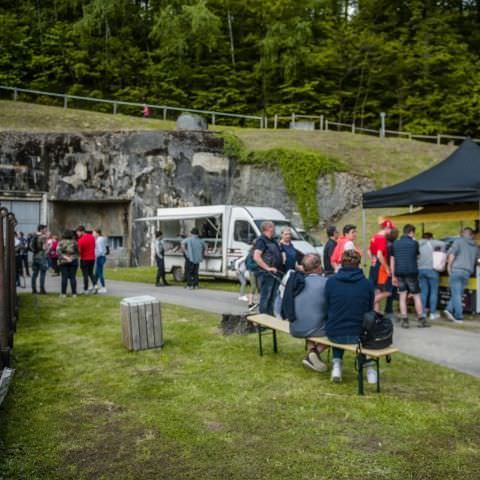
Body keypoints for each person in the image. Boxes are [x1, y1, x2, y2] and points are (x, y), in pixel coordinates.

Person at [325, 250, 376, 383]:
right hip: (359, 335)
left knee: (338, 321)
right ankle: (369, 368)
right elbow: (370, 310)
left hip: (334, 332)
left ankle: (337, 365)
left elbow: (327, 305)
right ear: (359, 264)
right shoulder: (367, 283)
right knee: (366, 326)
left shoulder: (331, 282)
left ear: (341, 263)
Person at [289, 254, 328, 372]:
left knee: (312, 316)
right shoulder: (326, 282)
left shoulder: (296, 282)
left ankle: (311, 352)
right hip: (313, 328)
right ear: (319, 267)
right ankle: (314, 352)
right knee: (338, 329)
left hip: (295, 327)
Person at [391, 224, 429, 328]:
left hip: (399, 272)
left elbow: (392, 260)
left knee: (402, 295)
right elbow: (417, 256)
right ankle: (422, 319)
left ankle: (405, 320)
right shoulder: (414, 243)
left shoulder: (395, 243)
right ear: (411, 232)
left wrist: (393, 275)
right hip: (411, 272)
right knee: (416, 295)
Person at [444, 227, 478, 324]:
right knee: (458, 293)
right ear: (471, 235)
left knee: (456, 293)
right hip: (467, 272)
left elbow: (451, 254)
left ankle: (459, 317)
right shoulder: (475, 246)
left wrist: (449, 266)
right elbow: (477, 259)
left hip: (457, 270)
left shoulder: (458, 241)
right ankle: (449, 309)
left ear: (464, 233)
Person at [254, 221, 283, 316]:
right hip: (266, 274)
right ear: (268, 228)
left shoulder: (273, 240)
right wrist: (267, 268)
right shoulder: (261, 240)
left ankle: (270, 320)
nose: (275, 229)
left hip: (275, 273)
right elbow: (256, 257)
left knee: (273, 297)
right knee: (266, 297)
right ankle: (262, 321)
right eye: (273, 227)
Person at [418, 232, 446, 320]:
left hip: (421, 270)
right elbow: (443, 244)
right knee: (433, 292)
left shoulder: (418, 243)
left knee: (423, 292)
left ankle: (422, 313)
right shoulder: (432, 242)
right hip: (432, 270)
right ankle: (432, 313)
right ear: (431, 238)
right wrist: (441, 252)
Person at [368, 219, 394, 313]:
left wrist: (372, 260)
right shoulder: (382, 238)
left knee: (377, 292)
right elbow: (380, 255)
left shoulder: (374, 237)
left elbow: (369, 251)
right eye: (391, 229)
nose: (391, 232)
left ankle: (376, 317)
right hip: (381, 268)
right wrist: (387, 268)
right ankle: (366, 304)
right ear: (387, 228)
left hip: (374, 267)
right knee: (388, 291)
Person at [57, 230, 79, 297]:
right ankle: (74, 293)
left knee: (64, 277)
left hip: (63, 261)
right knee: (73, 277)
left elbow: (58, 252)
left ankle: (63, 293)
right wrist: (71, 258)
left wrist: (66, 257)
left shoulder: (61, 242)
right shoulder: (75, 242)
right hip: (73, 261)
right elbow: (78, 253)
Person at [76, 225, 96, 294]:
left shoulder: (80, 240)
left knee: (85, 275)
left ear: (81, 231)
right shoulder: (92, 237)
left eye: (78, 232)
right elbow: (94, 246)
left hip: (84, 258)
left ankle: (86, 289)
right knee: (91, 273)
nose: (77, 234)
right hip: (92, 258)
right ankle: (95, 285)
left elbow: (79, 251)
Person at [384, 228, 399, 318]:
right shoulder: (392, 245)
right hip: (390, 268)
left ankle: (388, 309)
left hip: (385, 268)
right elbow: (392, 259)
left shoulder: (385, 243)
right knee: (390, 290)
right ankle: (388, 310)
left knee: (388, 289)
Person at [31, 224, 48, 294]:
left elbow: (31, 246)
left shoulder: (34, 236)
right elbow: (44, 248)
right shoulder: (43, 237)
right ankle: (42, 289)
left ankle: (34, 289)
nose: (46, 230)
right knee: (42, 274)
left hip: (35, 257)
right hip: (42, 257)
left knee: (34, 274)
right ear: (41, 229)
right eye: (45, 229)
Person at [245, 240, 260, 311]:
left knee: (260, 287)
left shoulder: (259, 252)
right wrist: (258, 265)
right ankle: (250, 304)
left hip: (259, 272)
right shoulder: (251, 253)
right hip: (253, 272)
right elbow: (249, 264)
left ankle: (259, 302)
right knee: (253, 287)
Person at [94, 228, 108, 293]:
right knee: (97, 272)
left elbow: (100, 250)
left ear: (97, 233)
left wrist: (96, 255)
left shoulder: (98, 240)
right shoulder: (103, 239)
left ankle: (103, 287)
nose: (93, 234)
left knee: (100, 273)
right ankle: (95, 285)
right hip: (103, 256)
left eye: (93, 233)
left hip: (100, 257)